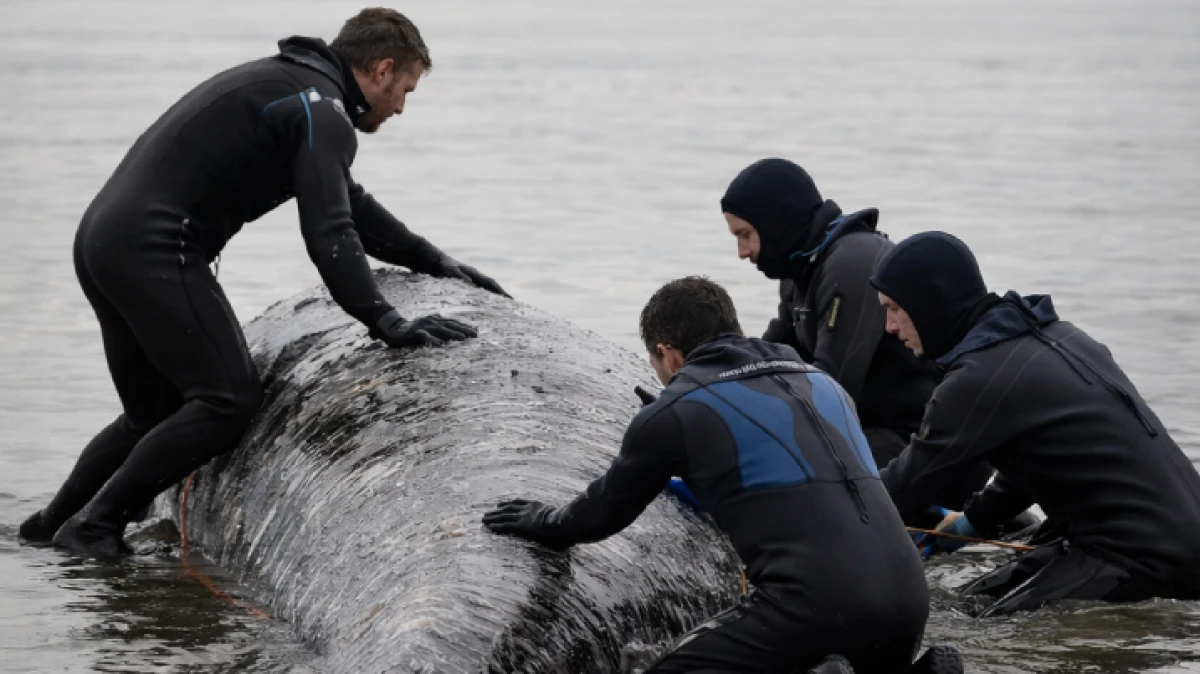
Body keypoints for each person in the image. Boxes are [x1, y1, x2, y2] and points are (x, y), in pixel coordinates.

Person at [18, 8, 507, 560]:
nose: (401, 107)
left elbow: (351, 205)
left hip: (103, 241)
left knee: (152, 416)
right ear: (381, 68)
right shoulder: (323, 111)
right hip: (154, 247)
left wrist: (436, 262)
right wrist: (384, 319)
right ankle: (94, 527)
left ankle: (49, 527)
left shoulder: (295, 86)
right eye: (405, 90)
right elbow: (329, 229)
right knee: (227, 401)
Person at [483, 276, 930, 673]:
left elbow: (597, 517)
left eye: (658, 367)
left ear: (668, 354)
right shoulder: (823, 384)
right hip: (909, 602)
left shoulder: (676, 413)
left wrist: (542, 521)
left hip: (813, 609)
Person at [872, 231, 1200, 616]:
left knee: (987, 627)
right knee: (971, 603)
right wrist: (971, 523)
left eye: (894, 308)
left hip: (1141, 555)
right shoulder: (1060, 336)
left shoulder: (977, 378)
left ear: (929, 303)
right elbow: (1038, 460)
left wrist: (808, 526)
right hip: (1171, 538)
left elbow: (901, 488)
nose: (889, 327)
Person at [719, 158, 942, 470]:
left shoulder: (852, 263)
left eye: (745, 234)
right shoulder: (800, 270)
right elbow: (768, 360)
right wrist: (702, 394)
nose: (742, 252)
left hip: (918, 442)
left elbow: (831, 390)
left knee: (766, 461)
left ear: (776, 223)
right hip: (868, 431)